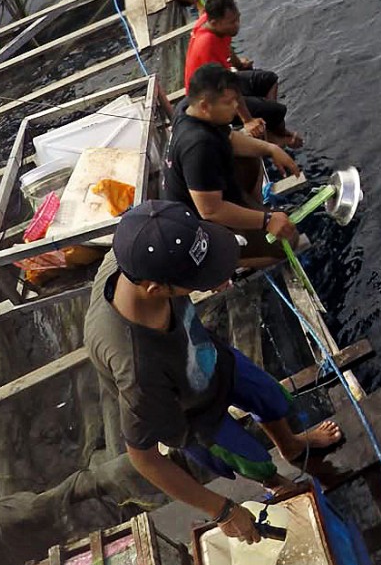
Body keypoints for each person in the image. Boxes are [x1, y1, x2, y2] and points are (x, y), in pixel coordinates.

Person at [84, 200, 343, 544]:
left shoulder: (133, 251)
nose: (213, 280)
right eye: (198, 279)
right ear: (156, 289)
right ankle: (276, 483)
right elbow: (144, 458)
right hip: (193, 415)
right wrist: (222, 510)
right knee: (252, 460)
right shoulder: (138, 371)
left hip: (209, 358)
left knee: (270, 396)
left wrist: (210, 270)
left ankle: (292, 446)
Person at [164, 63, 301, 268]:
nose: (237, 107)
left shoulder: (187, 108)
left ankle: (253, 212)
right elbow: (211, 211)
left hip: (212, 194)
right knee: (289, 239)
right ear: (204, 105)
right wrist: (266, 221)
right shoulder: (198, 146)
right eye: (229, 103)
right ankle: (226, 260)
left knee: (251, 156)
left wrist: (271, 149)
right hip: (200, 227)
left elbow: (230, 138)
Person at [184, 0, 302, 148]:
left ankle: (270, 129)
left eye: (237, 18)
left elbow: (226, 46)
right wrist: (248, 120)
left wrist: (239, 64)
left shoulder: (215, 26)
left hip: (221, 81)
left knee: (269, 79)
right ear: (214, 22)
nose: (237, 24)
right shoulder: (207, 45)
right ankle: (273, 136)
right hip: (212, 96)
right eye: (232, 22)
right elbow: (229, 86)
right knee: (278, 110)